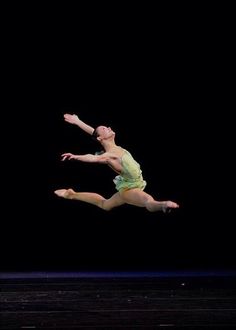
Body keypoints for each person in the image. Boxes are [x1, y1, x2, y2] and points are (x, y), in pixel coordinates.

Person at [54, 114, 179, 213]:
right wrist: (76, 157)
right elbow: (93, 158)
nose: (108, 127)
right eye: (105, 128)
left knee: (105, 205)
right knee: (148, 200)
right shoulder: (109, 155)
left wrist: (78, 121)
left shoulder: (113, 147)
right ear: (101, 138)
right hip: (130, 189)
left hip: (132, 183)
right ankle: (163, 205)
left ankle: (71, 194)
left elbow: (94, 132)